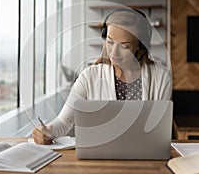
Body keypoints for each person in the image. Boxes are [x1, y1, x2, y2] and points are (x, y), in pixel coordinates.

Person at [32, 8, 172, 145]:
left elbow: (159, 131)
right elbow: (64, 122)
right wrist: (48, 132)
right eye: (110, 42)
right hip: (99, 160)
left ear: (141, 46)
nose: (114, 52)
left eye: (124, 46)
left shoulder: (161, 78)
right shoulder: (89, 77)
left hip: (145, 158)